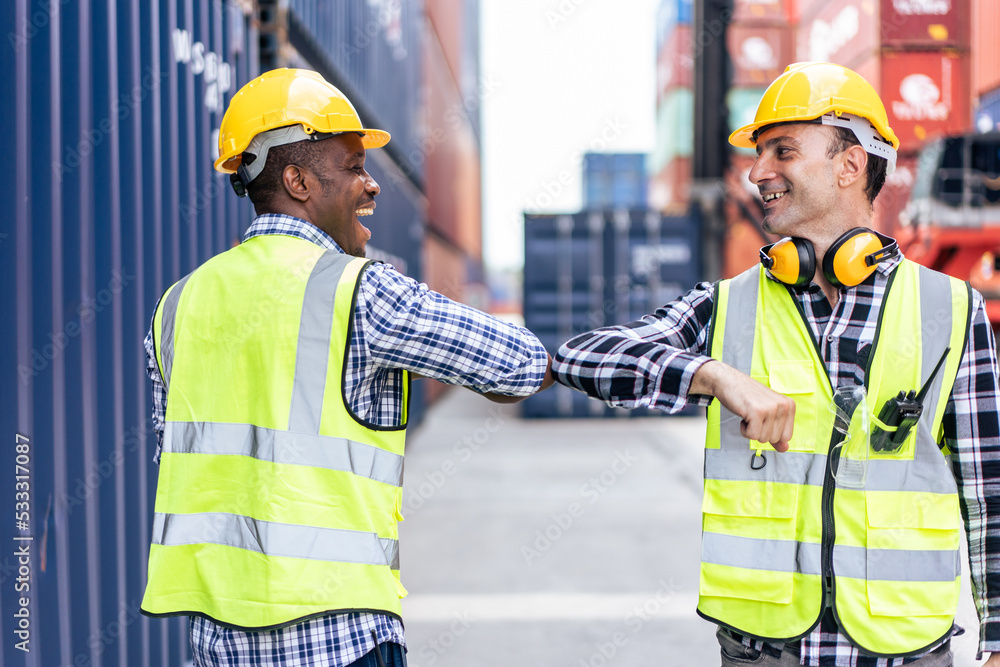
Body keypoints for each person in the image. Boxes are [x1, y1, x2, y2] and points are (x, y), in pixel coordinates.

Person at [552, 62, 1000, 666]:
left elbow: (989, 488)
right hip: (764, 648)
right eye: (758, 154)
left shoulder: (950, 309)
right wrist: (711, 374)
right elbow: (581, 358)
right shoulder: (726, 304)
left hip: (903, 648)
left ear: (850, 164)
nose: (758, 172)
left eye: (782, 151)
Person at [139, 68, 553, 666]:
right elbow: (518, 368)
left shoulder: (178, 304)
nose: (372, 185)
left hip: (218, 641)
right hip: (336, 639)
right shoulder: (359, 291)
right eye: (355, 167)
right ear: (298, 181)